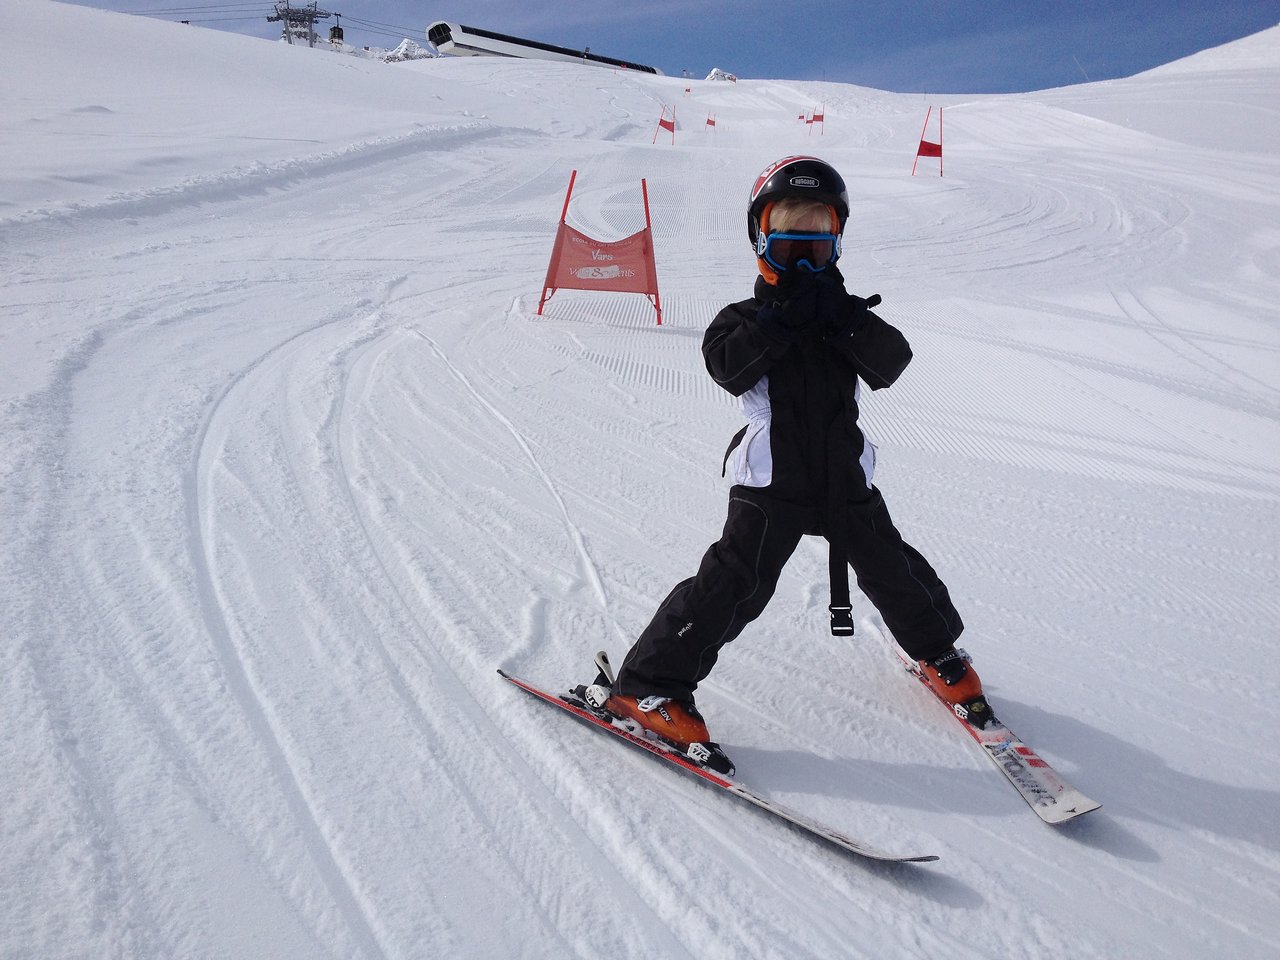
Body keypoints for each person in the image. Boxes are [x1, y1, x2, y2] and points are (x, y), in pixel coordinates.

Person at [597, 156, 982, 774]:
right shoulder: (742, 320)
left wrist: (844, 316)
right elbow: (728, 368)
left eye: (819, 232)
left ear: (836, 239)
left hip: (843, 476)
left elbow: (891, 363)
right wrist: (780, 321)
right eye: (788, 231)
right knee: (733, 583)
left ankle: (939, 652)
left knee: (891, 566)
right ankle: (649, 684)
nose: (804, 248)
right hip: (771, 484)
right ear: (760, 237)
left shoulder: (843, 316)